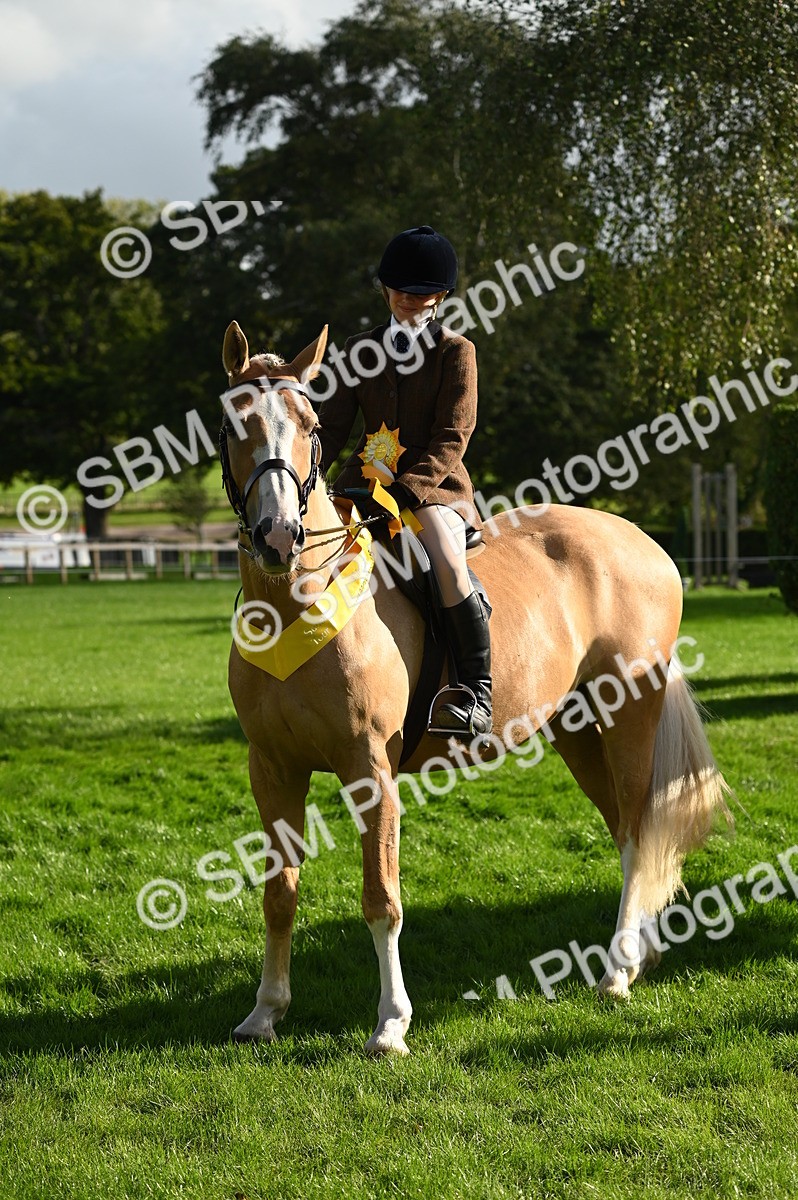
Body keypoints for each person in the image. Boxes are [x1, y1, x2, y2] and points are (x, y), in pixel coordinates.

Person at [316, 224, 492, 739]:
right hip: (361, 482)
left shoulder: (456, 352)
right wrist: (307, 482)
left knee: (446, 561)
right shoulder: (358, 348)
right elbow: (332, 427)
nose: (408, 300)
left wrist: (405, 491)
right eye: (399, 290)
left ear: (440, 297)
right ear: (385, 289)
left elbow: (453, 436)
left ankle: (476, 691)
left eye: (420, 293)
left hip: (433, 489)